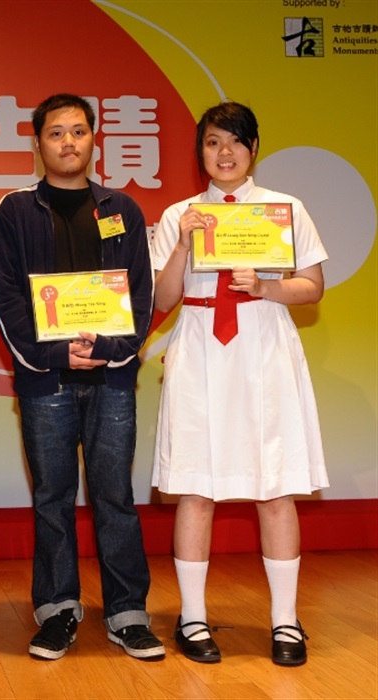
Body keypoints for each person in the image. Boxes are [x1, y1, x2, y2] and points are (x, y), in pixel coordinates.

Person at [151, 101, 328, 667]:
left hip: (263, 343)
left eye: (235, 142)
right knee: (195, 487)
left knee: (274, 487)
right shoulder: (180, 212)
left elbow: (313, 286)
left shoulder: (285, 209)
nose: (223, 154)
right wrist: (182, 242)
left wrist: (268, 287)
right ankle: (193, 616)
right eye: (211, 143)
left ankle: (285, 621)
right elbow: (161, 299)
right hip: (201, 343)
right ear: (199, 151)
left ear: (254, 149)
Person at [0, 93, 164, 662]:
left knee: (116, 494)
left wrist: (110, 350)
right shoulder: (15, 211)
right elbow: (7, 297)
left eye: (79, 132)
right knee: (52, 496)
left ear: (95, 139)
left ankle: (127, 613)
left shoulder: (123, 208)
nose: (69, 142)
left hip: (113, 378)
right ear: (38, 142)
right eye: (56, 133)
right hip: (46, 380)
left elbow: (140, 295)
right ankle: (58, 609)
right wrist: (58, 355)